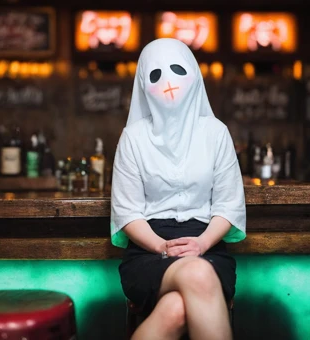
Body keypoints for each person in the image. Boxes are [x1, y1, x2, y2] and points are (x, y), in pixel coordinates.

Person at [111, 38, 246, 340]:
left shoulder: (216, 133)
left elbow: (229, 206)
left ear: (195, 75)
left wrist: (201, 244)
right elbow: (127, 212)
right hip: (147, 253)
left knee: (176, 309)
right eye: (156, 75)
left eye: (177, 70)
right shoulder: (132, 138)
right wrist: (162, 247)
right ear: (143, 85)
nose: (168, 81)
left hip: (208, 248)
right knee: (197, 274)